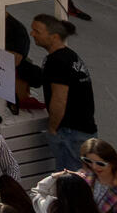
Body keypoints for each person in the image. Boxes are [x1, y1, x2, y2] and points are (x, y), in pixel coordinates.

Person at [31, 13, 96, 173]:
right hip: (83, 128)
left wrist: (53, 128)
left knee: (69, 177)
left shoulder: (57, 61)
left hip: (71, 132)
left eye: (37, 31)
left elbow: (59, 99)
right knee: (82, 176)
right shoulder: (70, 56)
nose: (32, 34)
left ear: (54, 37)